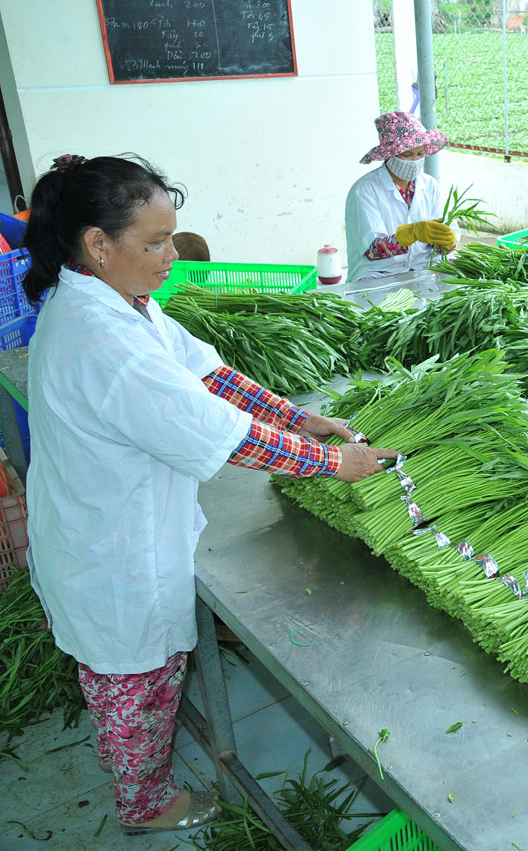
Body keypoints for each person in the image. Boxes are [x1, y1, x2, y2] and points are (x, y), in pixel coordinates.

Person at [22, 154, 399, 836]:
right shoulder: (100, 337)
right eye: (156, 242)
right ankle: (147, 806)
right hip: (111, 553)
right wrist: (332, 462)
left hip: (109, 529)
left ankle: (136, 768)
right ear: (99, 243)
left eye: (171, 237)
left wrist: (293, 415)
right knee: (135, 683)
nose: (173, 256)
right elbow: (220, 435)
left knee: (135, 676)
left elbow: (205, 373)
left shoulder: (119, 303)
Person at [344, 111, 456, 281]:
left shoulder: (430, 186)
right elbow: (372, 250)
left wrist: (447, 242)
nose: (414, 161)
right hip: (378, 273)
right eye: (407, 154)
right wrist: (412, 233)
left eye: (420, 154)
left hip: (424, 268)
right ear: (389, 154)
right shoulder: (365, 190)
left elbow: (447, 235)